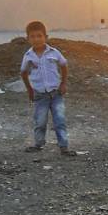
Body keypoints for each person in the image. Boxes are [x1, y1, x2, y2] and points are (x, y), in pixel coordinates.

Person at [20, 21, 77, 156]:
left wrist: (63, 83)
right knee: (40, 121)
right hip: (40, 95)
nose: (36, 39)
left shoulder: (54, 52)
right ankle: (38, 144)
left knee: (60, 121)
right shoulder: (28, 56)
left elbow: (63, 65)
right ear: (28, 39)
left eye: (39, 36)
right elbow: (23, 72)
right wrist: (29, 90)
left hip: (56, 94)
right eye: (32, 36)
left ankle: (64, 147)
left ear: (46, 37)